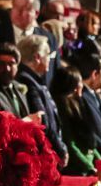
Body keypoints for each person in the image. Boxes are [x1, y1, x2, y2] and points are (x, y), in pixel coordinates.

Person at [17, 33, 67, 164]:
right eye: (48, 56)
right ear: (37, 57)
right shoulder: (27, 81)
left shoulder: (34, 81)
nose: (50, 60)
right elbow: (43, 120)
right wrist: (59, 149)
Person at [0, 42, 31, 119]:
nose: (7, 69)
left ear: (17, 66)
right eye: (1, 64)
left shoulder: (18, 86)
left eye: (11, 64)